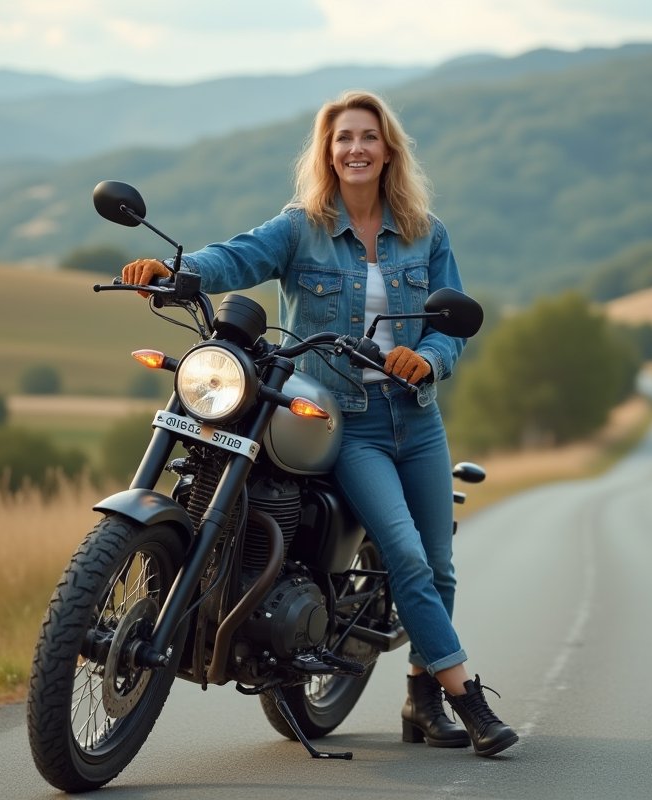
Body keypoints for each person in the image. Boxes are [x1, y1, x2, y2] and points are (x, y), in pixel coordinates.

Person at [122, 90, 517, 757]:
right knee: (407, 556)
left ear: (387, 148)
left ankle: (421, 698)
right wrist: (178, 272)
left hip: (414, 419)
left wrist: (426, 359)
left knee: (438, 570)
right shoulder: (300, 225)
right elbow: (235, 257)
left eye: (367, 137)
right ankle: (465, 697)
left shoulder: (426, 231)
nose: (355, 149)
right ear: (327, 151)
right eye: (342, 139)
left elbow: (453, 328)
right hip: (347, 424)